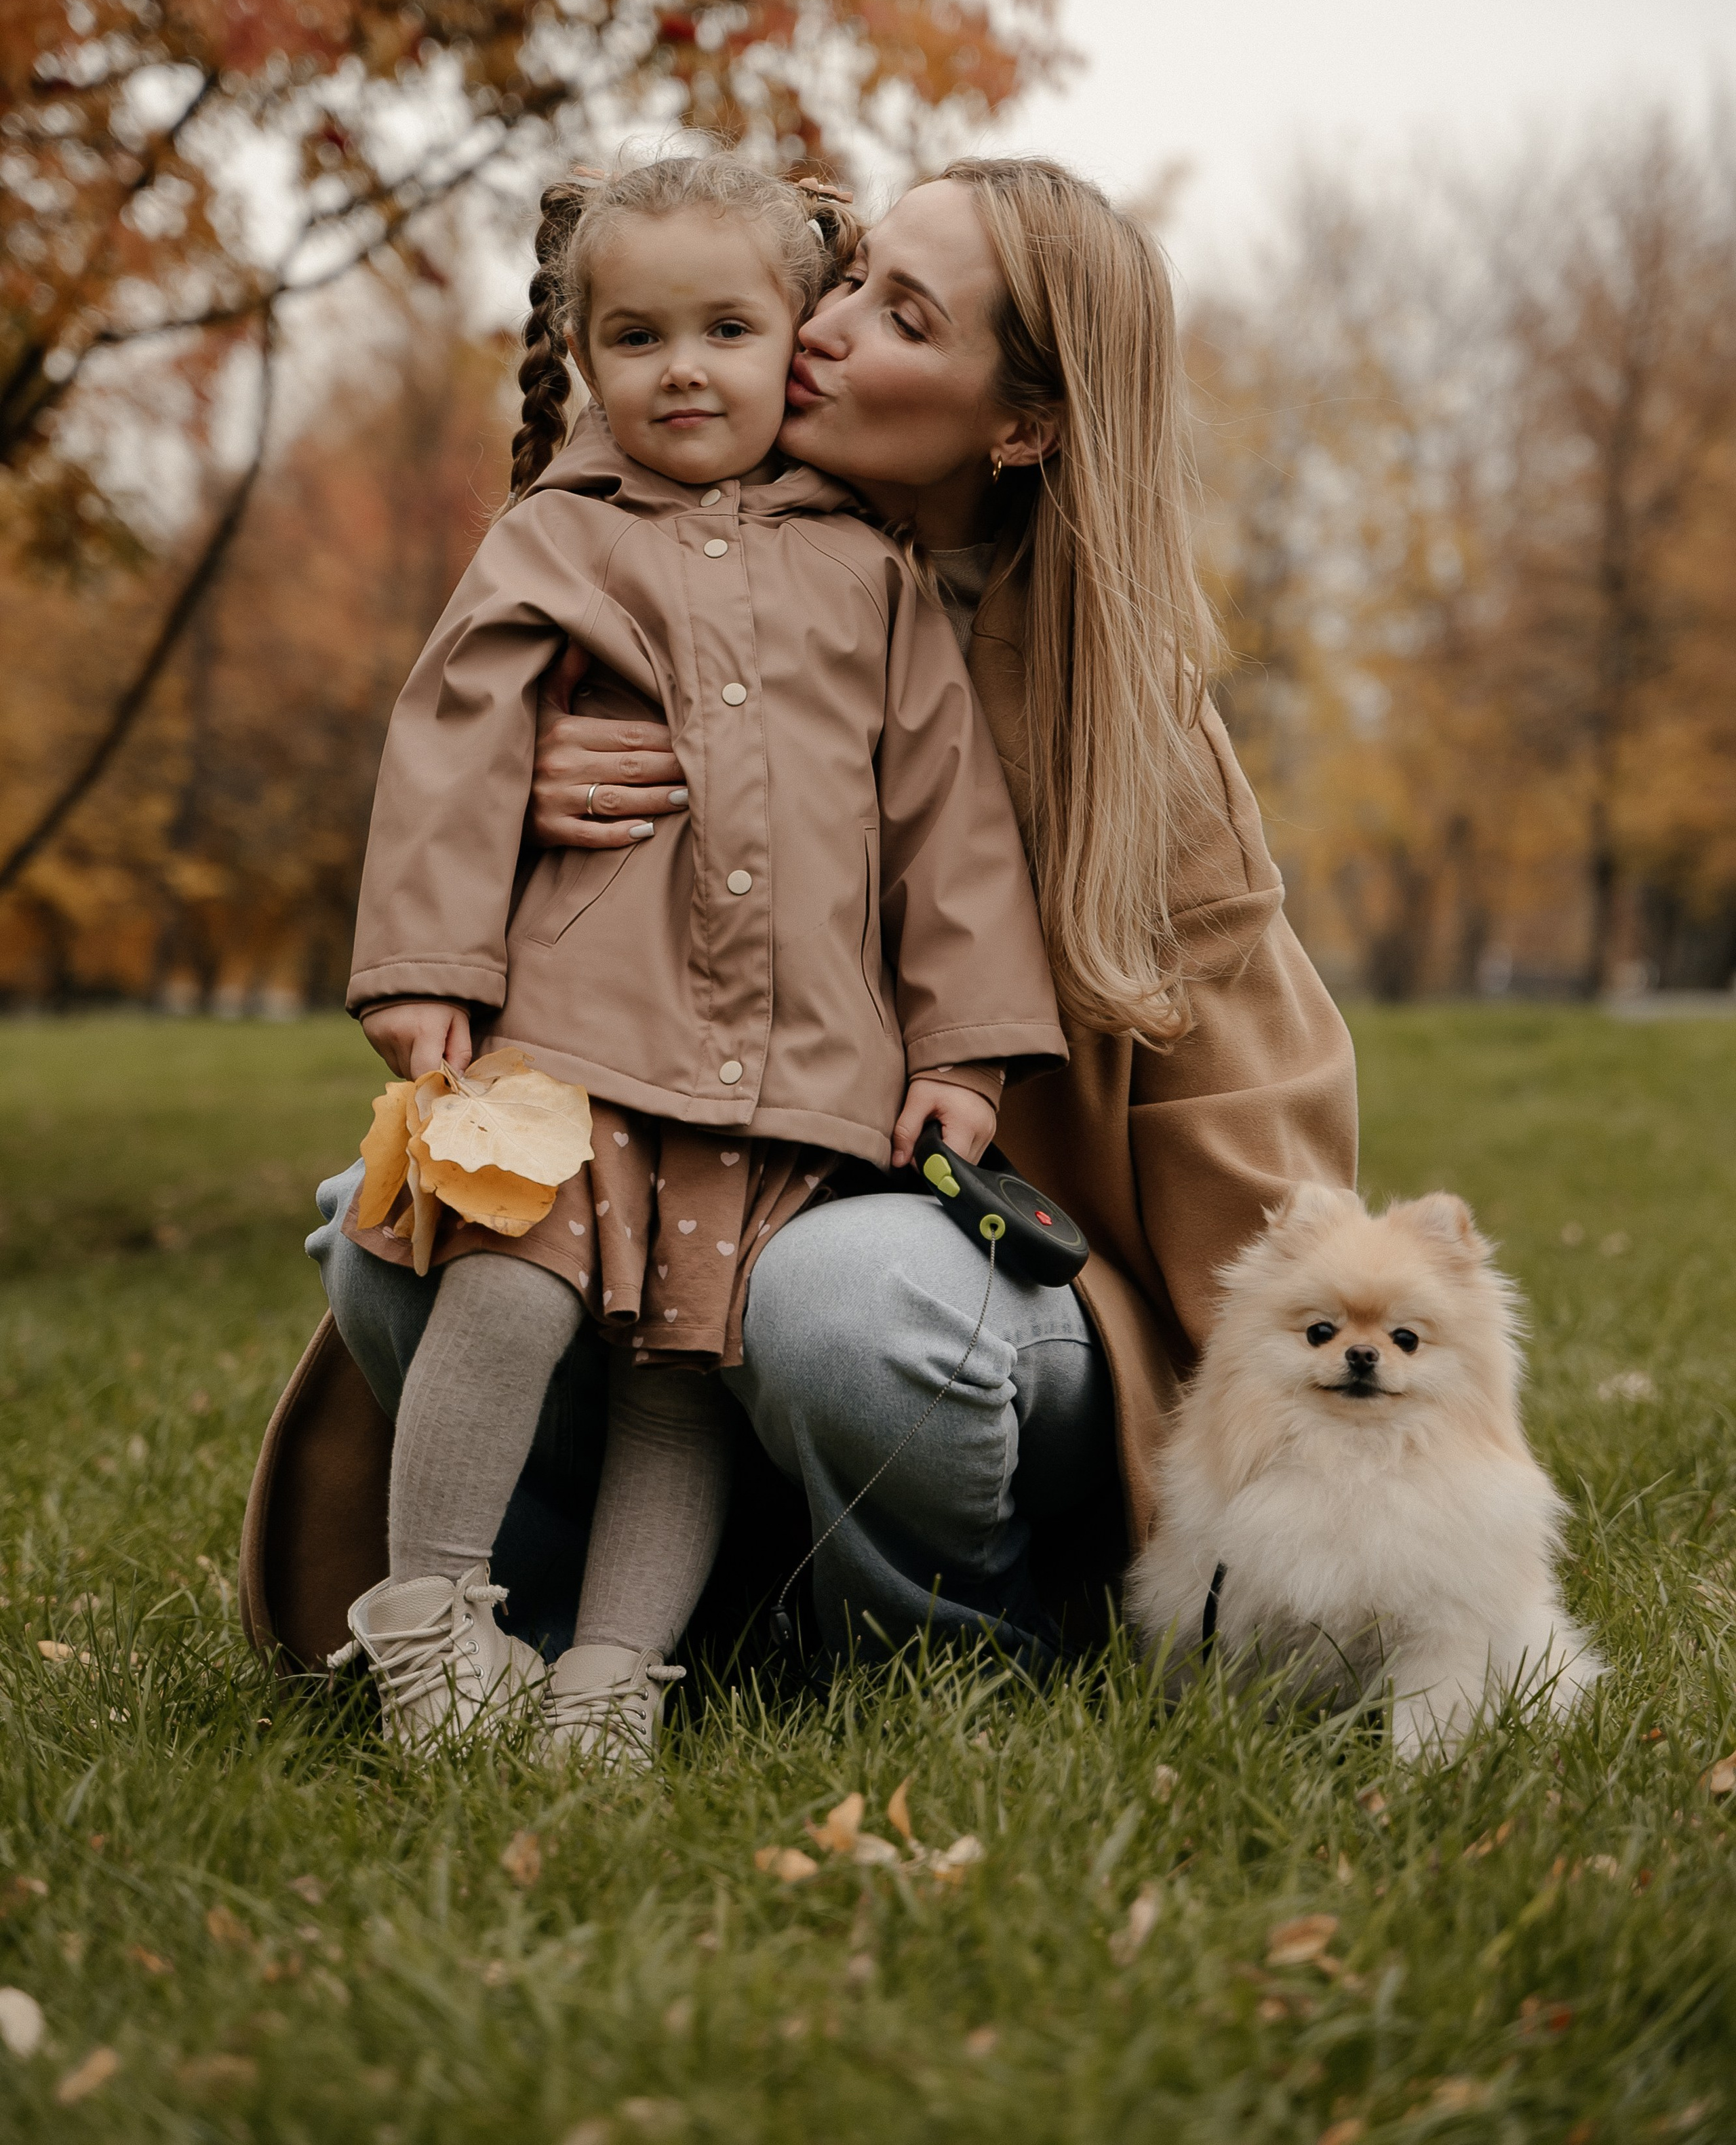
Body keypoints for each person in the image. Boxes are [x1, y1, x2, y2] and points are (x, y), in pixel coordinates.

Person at [240, 155, 1357, 1692]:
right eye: (846, 276)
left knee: (832, 1303)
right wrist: (515, 784)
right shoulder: (644, 554)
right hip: (689, 1143)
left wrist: (1309, 1446)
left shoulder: (1122, 724)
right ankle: (583, 1640)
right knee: (390, 1235)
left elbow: (1257, 1122)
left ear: (1018, 422)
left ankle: (950, 1656)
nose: (823, 329)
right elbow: (621, 437)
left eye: (899, 315)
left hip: (969, 1264)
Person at [317, 152, 1065, 1760]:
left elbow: (949, 828)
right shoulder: (554, 541)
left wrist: (961, 1052)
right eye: (638, 335)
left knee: (684, 1364)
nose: (683, 369)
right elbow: (450, 745)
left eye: (726, 328)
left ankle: (608, 1678)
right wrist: (424, 964)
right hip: (569, 1028)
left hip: (789, 1064)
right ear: (584, 356)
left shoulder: (869, 571)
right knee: (503, 1288)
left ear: (790, 337)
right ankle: (433, 1621)